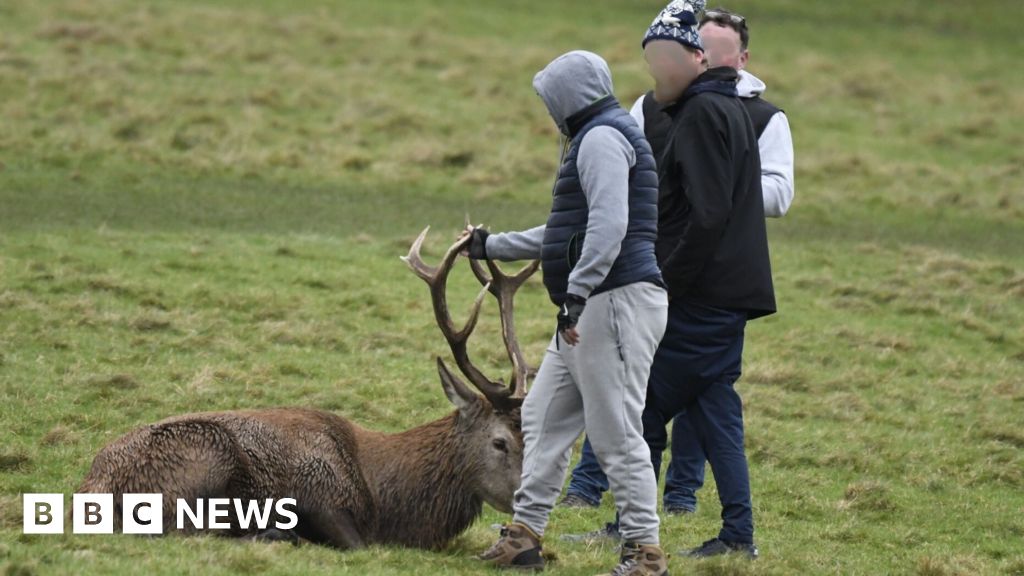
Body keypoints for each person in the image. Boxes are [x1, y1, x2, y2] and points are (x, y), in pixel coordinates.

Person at [562, 6, 794, 517]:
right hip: (708, 285)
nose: (705, 53)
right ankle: (733, 530)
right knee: (709, 404)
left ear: (734, 57)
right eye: (698, 42)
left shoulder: (730, 113)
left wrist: (670, 278)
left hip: (695, 286)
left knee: (640, 400)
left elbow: (727, 207)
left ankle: (647, 513)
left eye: (712, 47)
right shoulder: (668, 106)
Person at [471, 49, 671, 576]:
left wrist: (578, 293)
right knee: (542, 419)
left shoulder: (603, 139)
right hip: (592, 308)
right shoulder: (597, 136)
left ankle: (643, 553)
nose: (548, 110)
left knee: (616, 434)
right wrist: (493, 245)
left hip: (612, 305)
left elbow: (609, 226)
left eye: (549, 99)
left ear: (567, 97)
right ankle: (523, 537)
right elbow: (564, 234)